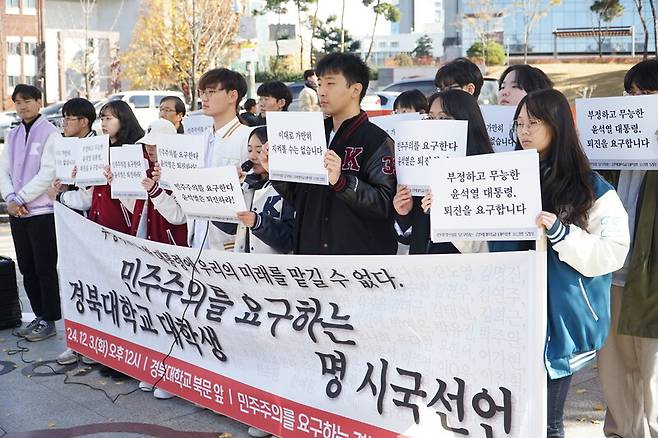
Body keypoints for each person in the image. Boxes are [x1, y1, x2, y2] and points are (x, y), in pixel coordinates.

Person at [500, 89, 629, 437]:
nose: (523, 130)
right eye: (519, 123)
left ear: (557, 126)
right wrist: (448, 216)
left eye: (534, 122)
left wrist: (561, 234)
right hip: (510, 318)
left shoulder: (592, 188)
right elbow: (486, 245)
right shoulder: (505, 178)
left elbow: (613, 252)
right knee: (511, 419)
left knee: (547, 423)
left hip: (560, 327)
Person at [265, 52, 398, 255]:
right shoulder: (310, 134)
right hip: (311, 258)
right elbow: (298, 198)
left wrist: (342, 182)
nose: (322, 92)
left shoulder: (376, 140)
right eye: (319, 84)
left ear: (355, 90)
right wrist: (276, 170)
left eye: (330, 83)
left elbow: (384, 204)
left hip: (356, 266)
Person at [597, 58, 658, 438]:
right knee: (614, 370)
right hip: (612, 273)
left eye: (647, 94)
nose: (636, 101)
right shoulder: (611, 144)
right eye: (631, 93)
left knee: (652, 371)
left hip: (652, 279)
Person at [395, 90, 493, 254]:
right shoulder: (421, 170)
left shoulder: (486, 172)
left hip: (463, 272)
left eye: (443, 118)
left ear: (466, 121)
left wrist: (445, 212)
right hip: (421, 273)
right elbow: (408, 238)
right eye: (431, 118)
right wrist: (404, 213)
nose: (434, 124)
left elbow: (486, 247)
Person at [0, 84, 60, 342]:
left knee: (44, 267)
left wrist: (21, 198)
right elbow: (3, 170)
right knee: (26, 267)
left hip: (41, 212)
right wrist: (11, 199)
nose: (22, 106)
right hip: (18, 212)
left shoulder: (50, 133)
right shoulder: (12, 134)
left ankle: (50, 319)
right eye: (17, 102)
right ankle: (38, 314)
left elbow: (48, 172)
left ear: (39, 101)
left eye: (27, 101)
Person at [50, 97, 100, 365]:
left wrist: (60, 198)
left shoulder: (96, 148)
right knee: (71, 282)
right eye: (63, 119)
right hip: (70, 224)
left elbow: (89, 198)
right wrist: (60, 189)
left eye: (68, 119)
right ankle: (77, 341)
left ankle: (93, 344)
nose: (64, 124)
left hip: (90, 225)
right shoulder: (67, 147)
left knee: (92, 285)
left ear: (84, 122)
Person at [58, 100, 144, 234]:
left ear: (123, 120)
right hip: (99, 220)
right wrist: (82, 179)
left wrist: (115, 180)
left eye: (109, 119)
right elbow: (90, 195)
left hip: (123, 225)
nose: (103, 123)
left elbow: (137, 200)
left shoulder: (134, 150)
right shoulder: (100, 148)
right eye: (102, 118)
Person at [190, 68, 251, 250]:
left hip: (228, 244)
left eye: (211, 92)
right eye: (202, 93)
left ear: (233, 96)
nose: (204, 99)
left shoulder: (247, 138)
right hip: (196, 239)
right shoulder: (199, 141)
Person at [213, 126, 294, 256]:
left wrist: (259, 223)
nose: (252, 156)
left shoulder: (288, 188)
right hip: (245, 266)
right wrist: (227, 190)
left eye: (259, 151)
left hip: (274, 268)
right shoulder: (246, 184)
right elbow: (230, 227)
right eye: (249, 150)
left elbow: (289, 240)